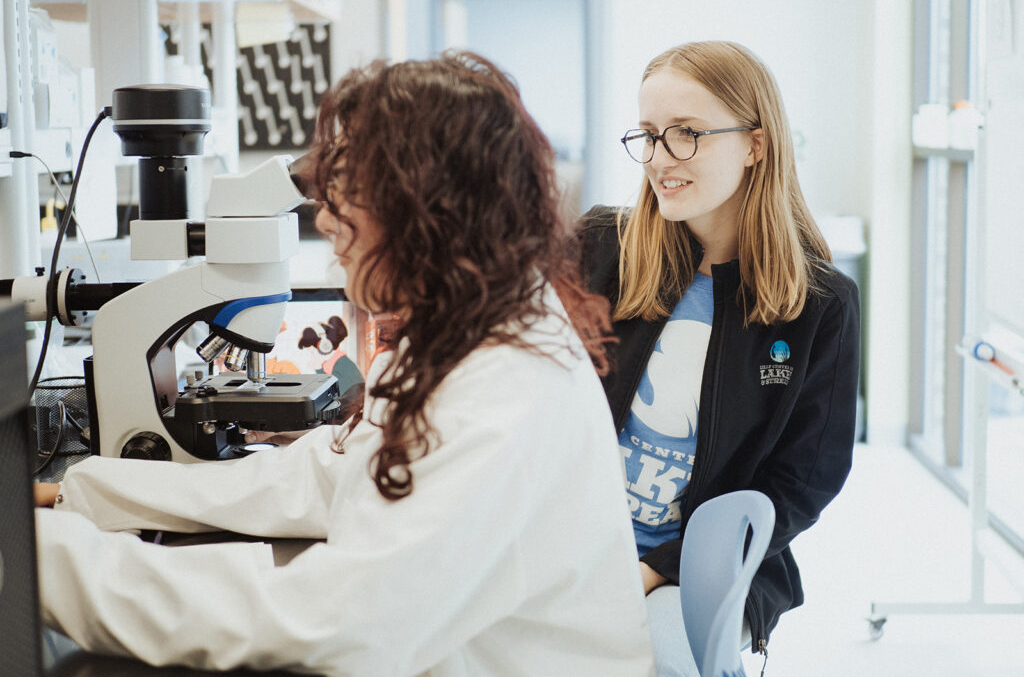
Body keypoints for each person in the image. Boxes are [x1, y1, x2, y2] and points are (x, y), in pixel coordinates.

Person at [34, 52, 656, 676]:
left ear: (426, 211)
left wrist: (45, 562)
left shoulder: (505, 392)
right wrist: (87, 493)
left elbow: (335, 625)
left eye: (348, 192)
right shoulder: (467, 326)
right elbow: (330, 474)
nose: (325, 216)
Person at [578, 41, 860, 675]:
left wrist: (659, 568)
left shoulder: (818, 303)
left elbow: (803, 480)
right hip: (573, 545)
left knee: (660, 656)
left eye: (688, 134)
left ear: (755, 144)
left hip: (701, 573)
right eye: (649, 135)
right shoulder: (601, 248)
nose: (660, 158)